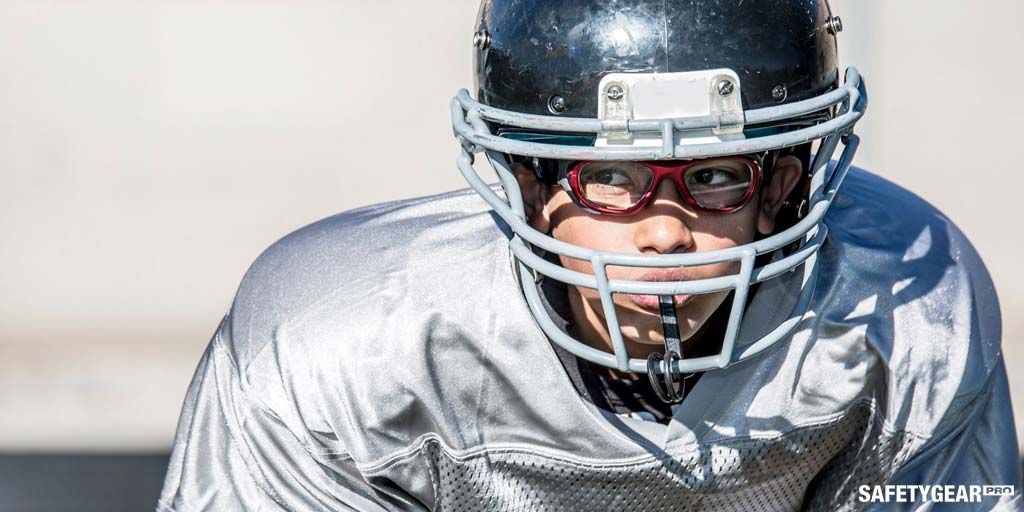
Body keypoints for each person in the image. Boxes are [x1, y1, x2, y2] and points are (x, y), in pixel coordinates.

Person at [158, 1, 1022, 510]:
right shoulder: (346, 343)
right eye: (611, 176)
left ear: (785, 184)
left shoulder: (904, 303)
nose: (663, 232)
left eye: (717, 175)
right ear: (528, 180)